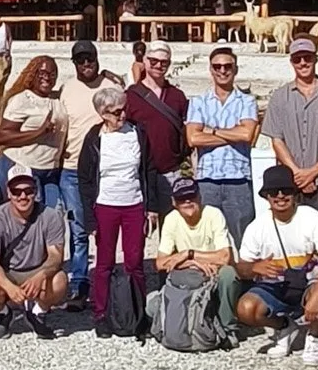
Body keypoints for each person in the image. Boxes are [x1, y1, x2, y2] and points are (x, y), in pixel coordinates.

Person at [76, 81, 166, 338]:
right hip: (105, 205)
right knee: (104, 264)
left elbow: (148, 170)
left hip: (134, 204)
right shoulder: (95, 138)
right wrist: (90, 219)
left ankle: (137, 315)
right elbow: (85, 178)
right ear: (102, 114)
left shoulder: (138, 133)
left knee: (134, 263)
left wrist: (152, 208)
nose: (122, 115)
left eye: (124, 109)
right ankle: (102, 314)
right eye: (116, 112)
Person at [233, 164, 318, 364]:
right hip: (276, 285)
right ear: (266, 196)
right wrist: (254, 268)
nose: (280, 196)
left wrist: (315, 297)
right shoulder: (257, 227)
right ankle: (283, 327)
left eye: (286, 190)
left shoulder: (311, 218)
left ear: (294, 193)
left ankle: (314, 337)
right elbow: (241, 268)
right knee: (246, 308)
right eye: (274, 191)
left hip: (308, 282)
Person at [53, 41, 118, 311]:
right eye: (80, 60)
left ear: (97, 59)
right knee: (78, 230)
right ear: (74, 63)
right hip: (71, 169)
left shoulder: (112, 87)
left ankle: (107, 282)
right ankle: (80, 284)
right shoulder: (67, 89)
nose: (86, 64)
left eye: (89, 59)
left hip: (105, 168)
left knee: (106, 228)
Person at [262, 37, 318, 225]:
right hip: (290, 182)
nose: (303, 63)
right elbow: (276, 139)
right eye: (297, 59)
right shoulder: (279, 97)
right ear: (291, 62)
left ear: (315, 59)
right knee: (292, 236)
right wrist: (298, 173)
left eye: (307, 57)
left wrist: (313, 173)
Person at [185, 44, 261, 243]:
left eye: (227, 66)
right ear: (210, 69)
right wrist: (232, 133)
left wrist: (212, 130)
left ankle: (243, 275)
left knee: (242, 237)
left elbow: (247, 134)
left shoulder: (247, 101)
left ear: (235, 69)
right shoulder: (198, 102)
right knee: (207, 238)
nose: (222, 70)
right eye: (217, 66)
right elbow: (193, 138)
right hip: (207, 178)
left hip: (239, 178)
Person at [0, 170, 66, 339]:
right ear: (8, 193)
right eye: (17, 192)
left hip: (37, 268)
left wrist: (41, 275)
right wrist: (9, 287)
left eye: (28, 191)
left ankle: (38, 312)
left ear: (36, 191)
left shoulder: (51, 216)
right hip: (8, 271)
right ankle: (2, 313)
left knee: (59, 281)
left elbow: (56, 255)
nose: (23, 196)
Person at [153, 180, 239, 337]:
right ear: (174, 202)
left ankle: (228, 328)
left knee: (229, 274)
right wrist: (192, 263)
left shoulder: (214, 214)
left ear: (200, 197)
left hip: (213, 273)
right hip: (190, 275)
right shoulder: (171, 219)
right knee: (150, 309)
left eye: (191, 196)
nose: (187, 201)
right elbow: (160, 263)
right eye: (181, 198)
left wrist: (188, 253)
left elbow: (225, 257)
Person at [0, 54, 66, 193]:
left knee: (53, 211)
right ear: (33, 74)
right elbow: (2, 137)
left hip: (51, 171)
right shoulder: (22, 100)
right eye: (42, 73)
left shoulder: (57, 99)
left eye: (52, 74)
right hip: (24, 167)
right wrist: (38, 132)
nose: (47, 78)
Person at [124, 38, 191, 174]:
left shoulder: (177, 96)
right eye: (153, 60)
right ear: (145, 60)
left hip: (171, 169)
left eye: (164, 62)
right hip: (140, 170)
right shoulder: (131, 95)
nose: (158, 65)